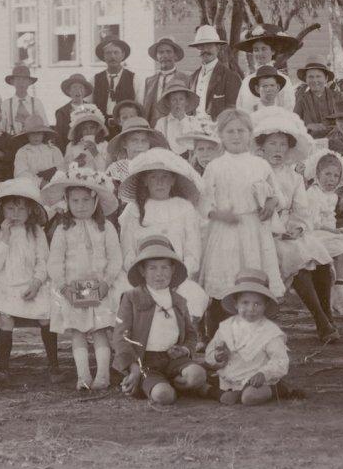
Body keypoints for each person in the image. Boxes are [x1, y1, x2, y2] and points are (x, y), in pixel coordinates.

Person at [252, 108, 337, 344]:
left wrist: (298, 228)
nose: (278, 150)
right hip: (265, 232)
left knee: (318, 254)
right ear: (262, 147)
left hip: (292, 229)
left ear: (289, 149)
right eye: (272, 144)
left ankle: (327, 314)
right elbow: (259, 209)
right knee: (296, 257)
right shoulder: (256, 173)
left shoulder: (294, 177)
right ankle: (320, 319)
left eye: (282, 145)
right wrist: (280, 230)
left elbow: (302, 210)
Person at [198, 109, 285, 337]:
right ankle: (216, 338)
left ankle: (253, 335)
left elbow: (278, 195)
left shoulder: (260, 164)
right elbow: (203, 204)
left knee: (253, 281)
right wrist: (220, 214)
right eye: (230, 131)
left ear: (250, 134)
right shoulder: (215, 167)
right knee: (226, 281)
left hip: (254, 231)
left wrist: (271, 203)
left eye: (241, 131)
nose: (236, 136)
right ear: (221, 136)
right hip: (226, 232)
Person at [41, 166, 123, 390]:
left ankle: (103, 375)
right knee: (77, 331)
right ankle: (83, 376)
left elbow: (115, 257)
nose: (81, 206)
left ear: (95, 201)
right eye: (75, 201)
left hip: (100, 286)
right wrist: (63, 286)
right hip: (72, 287)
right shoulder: (62, 230)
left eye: (86, 200)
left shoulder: (106, 227)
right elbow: (55, 262)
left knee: (99, 330)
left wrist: (107, 281)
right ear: (67, 202)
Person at [112, 235, 207, 404]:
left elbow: (192, 335)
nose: (159, 274)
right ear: (142, 270)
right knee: (163, 396)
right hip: (145, 362)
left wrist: (184, 350)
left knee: (198, 375)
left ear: (172, 270)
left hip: (174, 360)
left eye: (164, 268)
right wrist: (133, 369)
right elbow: (121, 337)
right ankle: (158, 385)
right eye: (152, 268)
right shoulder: (131, 297)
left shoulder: (179, 300)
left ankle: (178, 384)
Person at [117, 148, 209, 321]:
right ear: (144, 180)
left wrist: (177, 277)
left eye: (165, 177)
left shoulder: (184, 208)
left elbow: (193, 252)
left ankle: (183, 341)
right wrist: (142, 278)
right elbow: (127, 251)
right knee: (123, 294)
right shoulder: (134, 209)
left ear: (173, 180)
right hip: (142, 277)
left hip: (177, 277)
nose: (159, 182)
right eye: (153, 177)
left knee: (193, 295)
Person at [0, 179, 61, 383]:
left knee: (45, 317)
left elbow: (42, 261)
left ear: (30, 211)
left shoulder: (36, 232)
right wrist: (6, 237)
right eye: (10, 208)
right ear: (2, 210)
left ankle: (54, 365)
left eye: (21, 209)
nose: (15, 214)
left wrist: (36, 283)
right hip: (7, 286)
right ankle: (2, 368)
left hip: (32, 285)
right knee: (5, 318)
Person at [205, 270, 290, 406]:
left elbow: (280, 360)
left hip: (256, 380)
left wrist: (264, 374)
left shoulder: (270, 332)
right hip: (231, 377)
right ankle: (222, 392)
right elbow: (209, 353)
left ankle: (276, 389)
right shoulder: (226, 327)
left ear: (265, 306)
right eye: (245, 303)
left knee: (249, 397)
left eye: (257, 304)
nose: (251, 309)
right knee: (202, 377)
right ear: (235, 304)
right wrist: (217, 356)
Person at [303, 149, 343, 285]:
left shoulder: (332, 196)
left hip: (328, 232)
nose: (331, 179)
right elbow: (313, 223)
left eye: (336, 176)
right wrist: (333, 231)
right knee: (340, 251)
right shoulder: (313, 193)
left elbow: (331, 218)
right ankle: (336, 286)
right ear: (317, 174)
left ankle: (339, 286)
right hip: (314, 233)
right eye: (327, 174)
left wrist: (334, 230)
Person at [234, 25, 300, 112]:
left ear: (273, 51)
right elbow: (240, 110)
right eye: (256, 50)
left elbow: (289, 110)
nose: (260, 53)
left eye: (264, 49)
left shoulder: (283, 80)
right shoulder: (246, 81)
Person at [187, 25, 241, 120]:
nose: (205, 50)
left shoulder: (230, 77)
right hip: (194, 130)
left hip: (217, 131)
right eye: (201, 46)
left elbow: (232, 113)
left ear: (218, 48)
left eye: (209, 45)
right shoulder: (192, 78)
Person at [106, 117, 169, 185]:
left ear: (149, 144)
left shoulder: (156, 167)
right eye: (134, 141)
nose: (140, 145)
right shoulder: (116, 169)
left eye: (144, 141)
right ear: (124, 143)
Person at [141, 38, 190, 124]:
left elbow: (190, 107)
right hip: (154, 127)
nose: (165, 55)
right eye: (161, 52)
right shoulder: (149, 81)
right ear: (157, 56)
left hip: (177, 125)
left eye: (168, 52)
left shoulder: (186, 79)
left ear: (175, 55)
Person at [294, 60, 343, 138]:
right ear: (306, 79)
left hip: (337, 139)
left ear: (326, 78)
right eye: (310, 77)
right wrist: (308, 126)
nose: (315, 81)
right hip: (312, 142)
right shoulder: (301, 99)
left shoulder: (338, 96)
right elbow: (294, 122)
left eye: (318, 76)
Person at [12, 116, 65, 188]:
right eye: (32, 133)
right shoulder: (23, 152)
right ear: (27, 135)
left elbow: (61, 168)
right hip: (31, 187)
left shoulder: (53, 150)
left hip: (53, 184)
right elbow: (21, 173)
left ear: (43, 134)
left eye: (39, 133)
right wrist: (39, 182)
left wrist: (53, 181)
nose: (36, 136)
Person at [92, 38, 137, 121]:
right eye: (108, 53)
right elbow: (90, 105)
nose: (112, 56)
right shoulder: (95, 79)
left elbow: (139, 105)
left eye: (116, 52)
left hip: (125, 124)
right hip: (102, 126)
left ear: (123, 55)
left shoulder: (134, 78)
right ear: (103, 56)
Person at [0, 64, 48, 136]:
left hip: (32, 140)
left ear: (29, 82)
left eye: (25, 79)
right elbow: (1, 127)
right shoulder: (6, 104)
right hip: (11, 141)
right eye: (18, 79)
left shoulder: (36, 103)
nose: (21, 83)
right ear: (12, 82)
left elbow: (44, 125)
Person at [154, 83, 199, 155]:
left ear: (186, 102)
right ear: (168, 103)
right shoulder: (161, 123)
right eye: (173, 100)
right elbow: (158, 146)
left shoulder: (193, 122)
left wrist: (182, 119)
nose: (178, 103)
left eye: (181, 99)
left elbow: (195, 145)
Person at [63, 104, 110, 172]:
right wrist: (75, 163)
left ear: (97, 129)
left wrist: (95, 153)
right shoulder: (71, 145)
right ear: (80, 130)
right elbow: (65, 170)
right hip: (77, 181)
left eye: (92, 128)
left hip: (97, 181)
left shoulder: (104, 145)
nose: (89, 131)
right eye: (84, 128)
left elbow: (106, 169)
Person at [54, 73, 95, 150]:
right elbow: (59, 138)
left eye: (81, 87)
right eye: (74, 87)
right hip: (71, 149)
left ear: (85, 91)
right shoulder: (62, 112)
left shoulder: (93, 109)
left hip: (90, 148)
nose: (78, 91)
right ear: (69, 91)